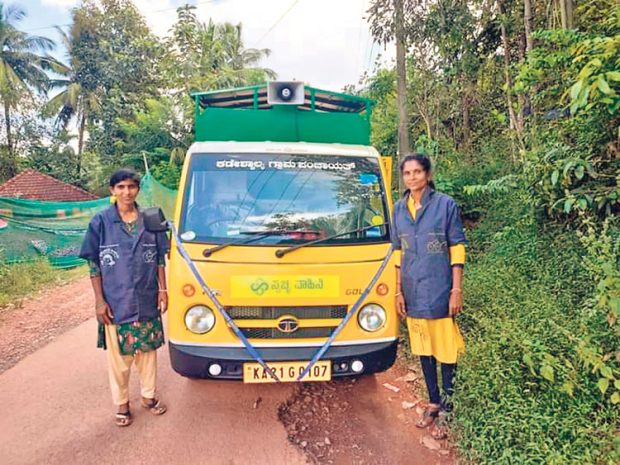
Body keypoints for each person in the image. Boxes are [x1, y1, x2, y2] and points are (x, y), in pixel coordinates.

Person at [79, 169, 169, 427]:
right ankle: (122, 403)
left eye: (131, 186)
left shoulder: (151, 218)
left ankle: (149, 398)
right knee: (119, 357)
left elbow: (160, 258)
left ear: (137, 189)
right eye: (120, 187)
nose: (126, 192)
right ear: (112, 191)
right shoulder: (101, 222)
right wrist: (99, 300)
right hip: (116, 300)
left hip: (147, 296)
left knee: (148, 352)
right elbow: (94, 264)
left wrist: (163, 290)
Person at [391, 153, 466, 439]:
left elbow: (457, 247)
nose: (412, 177)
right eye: (407, 173)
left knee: (446, 351)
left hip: (439, 289)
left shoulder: (445, 205)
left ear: (427, 174)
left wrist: (456, 289)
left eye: (417, 172)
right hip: (412, 290)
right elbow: (398, 252)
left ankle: (448, 408)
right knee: (423, 349)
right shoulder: (399, 209)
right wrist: (398, 291)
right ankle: (433, 402)